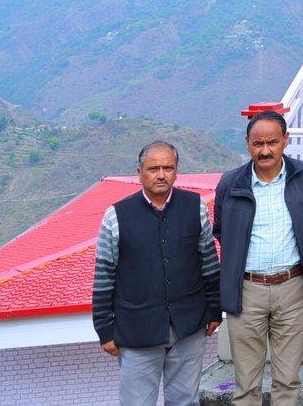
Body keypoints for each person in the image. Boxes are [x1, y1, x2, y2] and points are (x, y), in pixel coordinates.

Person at [92, 141, 220, 406]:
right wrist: (104, 329)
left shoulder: (194, 207)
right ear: (139, 172)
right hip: (137, 331)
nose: (161, 175)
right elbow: (104, 275)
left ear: (176, 171)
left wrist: (215, 310)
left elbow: (208, 261)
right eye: (153, 169)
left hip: (189, 328)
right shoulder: (116, 216)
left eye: (168, 168)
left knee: (185, 401)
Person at [212, 110, 303, 406]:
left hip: (293, 288)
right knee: (247, 384)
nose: (265, 151)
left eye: (272, 142)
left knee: (288, 380)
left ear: (285, 140)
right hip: (247, 290)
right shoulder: (230, 183)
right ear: (247, 143)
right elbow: (221, 231)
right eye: (257, 143)